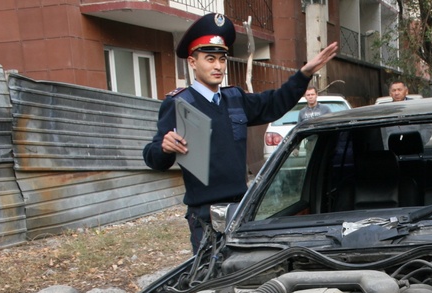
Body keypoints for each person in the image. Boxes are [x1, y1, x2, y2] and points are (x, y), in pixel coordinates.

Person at [143, 13, 337, 253]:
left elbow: (274, 103)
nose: (217, 66)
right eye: (210, 59)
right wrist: (164, 147)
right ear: (193, 62)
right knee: (210, 279)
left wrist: (303, 75)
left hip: (242, 208)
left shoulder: (234, 99)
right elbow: (153, 157)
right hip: (205, 215)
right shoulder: (179, 104)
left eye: (222, 60)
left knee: (244, 274)